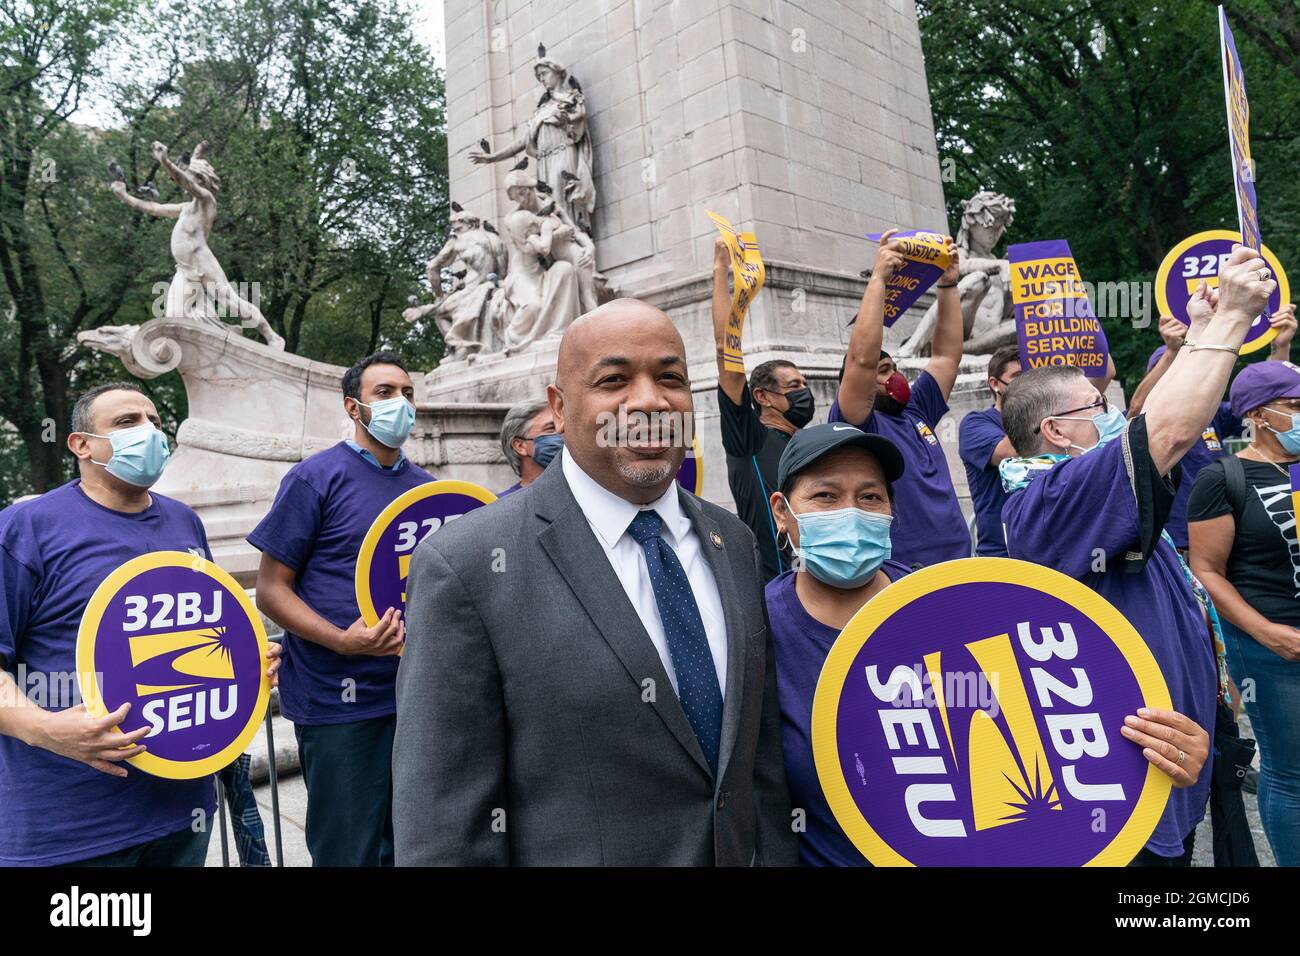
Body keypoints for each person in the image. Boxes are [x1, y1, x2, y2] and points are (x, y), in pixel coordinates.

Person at [393, 298, 796, 866]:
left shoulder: (732, 542)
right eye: (613, 380)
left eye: (670, 378)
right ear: (559, 408)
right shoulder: (467, 565)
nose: (650, 400)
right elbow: (444, 830)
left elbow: (759, 765)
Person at [998, 250, 1276, 866]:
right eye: (1097, 410)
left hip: (1177, 758)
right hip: (1122, 795)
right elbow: (1166, 430)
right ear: (1056, 431)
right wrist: (1232, 319)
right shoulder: (1049, 500)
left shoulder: (1075, 485)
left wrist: (1200, 332)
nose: (1114, 417)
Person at [0, 382, 281, 866]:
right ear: (81, 444)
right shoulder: (27, 529)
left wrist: (248, 667)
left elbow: (200, 633)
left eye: (153, 420)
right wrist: (44, 728)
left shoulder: (184, 523)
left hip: (182, 814)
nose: (149, 433)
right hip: (69, 827)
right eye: (127, 422)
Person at [250, 351, 431, 867]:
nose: (401, 403)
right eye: (384, 393)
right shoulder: (315, 479)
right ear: (354, 408)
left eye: (407, 392)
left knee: (411, 845)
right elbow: (270, 590)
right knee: (346, 851)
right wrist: (342, 640)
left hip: (412, 697)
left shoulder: (427, 489)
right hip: (338, 703)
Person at [764, 424, 911, 865]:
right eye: (826, 496)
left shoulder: (939, 606)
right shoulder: (754, 629)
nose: (851, 512)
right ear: (782, 512)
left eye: (870, 497)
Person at [1188, 359, 1300, 866]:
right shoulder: (1222, 479)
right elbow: (1208, 570)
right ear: (1258, 414)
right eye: (1295, 406)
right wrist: (1268, 633)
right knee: (1289, 770)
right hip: (1271, 650)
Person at [830, 229, 968, 568]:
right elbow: (861, 360)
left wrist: (948, 285)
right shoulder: (858, 423)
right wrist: (878, 278)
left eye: (892, 367)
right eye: (881, 371)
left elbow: (947, 357)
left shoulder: (917, 410)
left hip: (959, 558)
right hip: (901, 569)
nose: (891, 376)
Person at [1129, 305, 1296, 550]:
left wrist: (1280, 346)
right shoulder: (1145, 425)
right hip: (1175, 545)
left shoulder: (1212, 414)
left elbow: (1268, 404)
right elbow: (1136, 409)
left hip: (1225, 538)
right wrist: (1173, 353)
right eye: (1178, 371)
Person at [712, 238, 815, 583]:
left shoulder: (807, 447)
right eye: (794, 386)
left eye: (805, 384)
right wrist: (720, 271)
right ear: (763, 396)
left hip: (822, 586)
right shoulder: (749, 442)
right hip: (775, 591)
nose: (805, 393)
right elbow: (727, 359)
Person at [958, 345, 1021, 556]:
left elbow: (1105, 374)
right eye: (1019, 376)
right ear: (995, 384)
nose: (1028, 383)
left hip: (1051, 550)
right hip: (1003, 553)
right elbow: (1008, 453)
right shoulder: (975, 424)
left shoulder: (1050, 419)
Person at [497, 398, 561, 496]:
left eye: (562, 426)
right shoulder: (497, 506)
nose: (562, 433)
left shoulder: (585, 497)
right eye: (551, 428)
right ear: (520, 446)